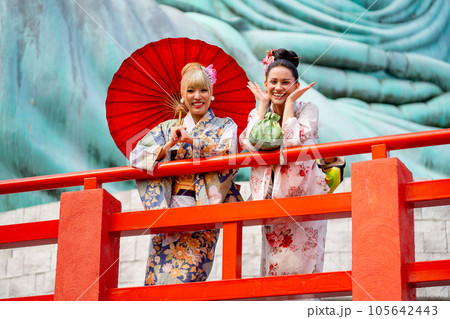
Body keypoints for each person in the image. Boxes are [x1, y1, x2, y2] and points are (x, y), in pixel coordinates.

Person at [130, 62, 242, 286]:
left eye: (203, 90)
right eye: (190, 91)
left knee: (190, 279)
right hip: (169, 209)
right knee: (157, 284)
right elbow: (135, 156)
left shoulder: (225, 125)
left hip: (204, 208)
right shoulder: (168, 127)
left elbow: (229, 153)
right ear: (182, 96)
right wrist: (167, 145)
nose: (197, 96)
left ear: (212, 94)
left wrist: (192, 140)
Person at [239, 48, 330, 277]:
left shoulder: (307, 110)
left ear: (296, 86)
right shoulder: (257, 113)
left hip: (304, 196)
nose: (278, 88)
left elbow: (291, 141)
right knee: (274, 266)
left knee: (302, 267)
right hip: (271, 199)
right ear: (265, 83)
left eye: (285, 83)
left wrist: (289, 105)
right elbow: (251, 143)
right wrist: (261, 106)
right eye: (273, 82)